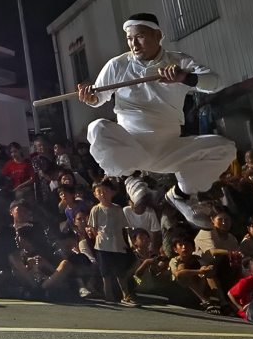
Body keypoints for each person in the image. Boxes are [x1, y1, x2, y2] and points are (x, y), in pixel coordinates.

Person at [78, 13, 236, 228]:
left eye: (140, 37)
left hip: (168, 147)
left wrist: (185, 78)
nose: (134, 44)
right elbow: (98, 97)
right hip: (131, 146)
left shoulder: (178, 61)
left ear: (158, 35)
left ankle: (181, 194)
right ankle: (132, 179)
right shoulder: (118, 65)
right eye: (130, 39)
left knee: (225, 148)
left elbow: (216, 82)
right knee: (96, 128)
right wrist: (91, 98)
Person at [88, 179, 139, 307]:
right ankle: (108, 295)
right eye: (99, 192)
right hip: (102, 245)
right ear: (95, 194)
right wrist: (96, 235)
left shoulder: (118, 209)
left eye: (106, 191)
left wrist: (128, 243)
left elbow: (124, 227)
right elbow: (93, 228)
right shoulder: (96, 209)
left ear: (112, 193)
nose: (103, 194)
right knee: (106, 272)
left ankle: (125, 295)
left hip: (117, 245)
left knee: (120, 271)